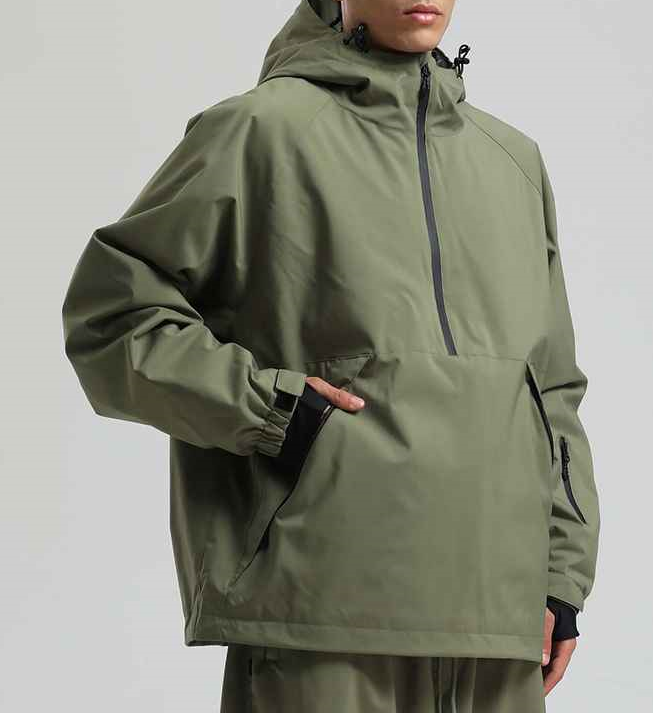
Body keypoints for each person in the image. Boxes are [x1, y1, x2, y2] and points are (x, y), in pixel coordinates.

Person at [61, 0, 600, 710]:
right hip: (320, 600)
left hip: (498, 613)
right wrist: (274, 413)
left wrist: (562, 575)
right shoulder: (260, 132)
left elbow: (550, 387)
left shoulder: (513, 161)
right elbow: (111, 315)